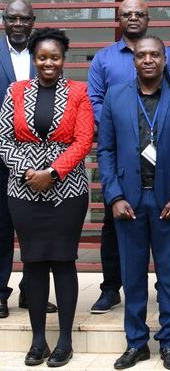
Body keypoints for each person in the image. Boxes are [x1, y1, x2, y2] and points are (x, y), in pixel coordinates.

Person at [97, 36, 170, 370]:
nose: (149, 60)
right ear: (134, 61)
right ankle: (136, 343)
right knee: (133, 276)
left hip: (169, 200)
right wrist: (114, 196)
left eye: (155, 54)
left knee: (168, 276)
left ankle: (168, 342)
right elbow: (105, 150)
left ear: (165, 59)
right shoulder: (115, 96)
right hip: (128, 201)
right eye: (142, 55)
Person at [0, 28, 93, 367]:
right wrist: (28, 172)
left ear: (63, 59)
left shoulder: (79, 92)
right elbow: (4, 139)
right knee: (34, 262)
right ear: (34, 59)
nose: (48, 63)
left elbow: (83, 140)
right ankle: (38, 340)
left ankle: (65, 340)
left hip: (67, 191)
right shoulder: (15, 91)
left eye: (54, 57)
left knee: (63, 261)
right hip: (23, 190)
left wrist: (52, 173)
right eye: (42, 57)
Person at [87, 0, 170, 315]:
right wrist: (117, 124)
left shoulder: (167, 55)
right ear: (118, 19)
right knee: (114, 227)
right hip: (122, 154)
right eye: (126, 14)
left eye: (138, 13)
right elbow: (95, 99)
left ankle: (167, 296)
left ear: (148, 18)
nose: (132, 18)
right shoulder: (104, 58)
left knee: (164, 241)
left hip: (161, 162)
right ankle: (110, 289)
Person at [0, 0, 51, 319]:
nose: (18, 23)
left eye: (24, 19)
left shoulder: (43, 55)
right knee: (1, 226)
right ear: (4, 20)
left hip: (38, 159)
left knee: (36, 227)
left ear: (33, 21)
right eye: (12, 18)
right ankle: (0, 293)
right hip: (0, 154)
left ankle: (32, 292)